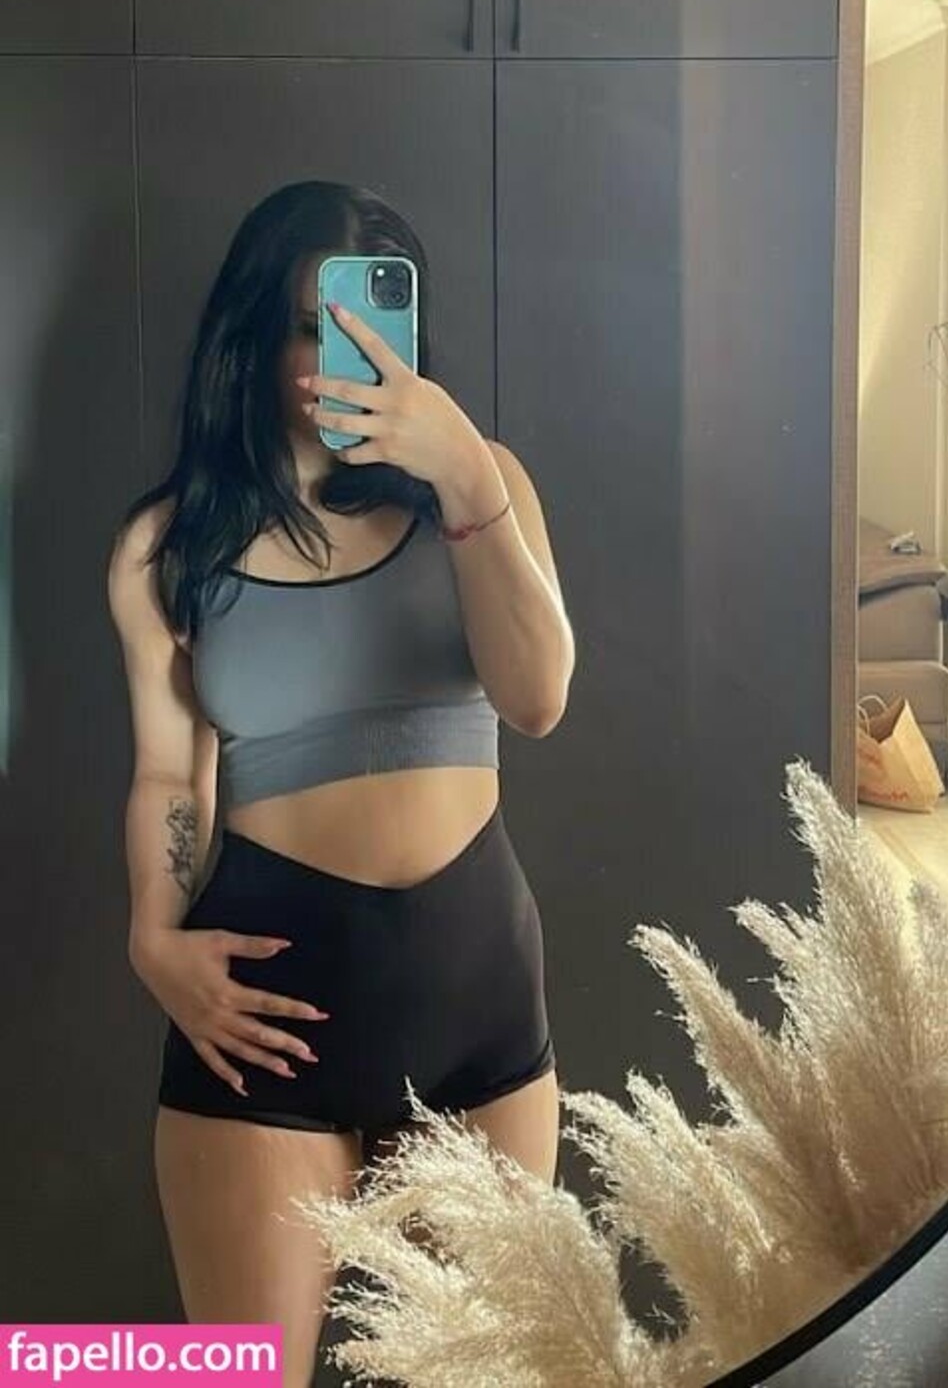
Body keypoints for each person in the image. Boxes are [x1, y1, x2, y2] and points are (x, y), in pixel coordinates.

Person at [107, 179, 575, 1386]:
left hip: (479, 1014)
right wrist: (152, 937)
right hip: (263, 1025)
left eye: (373, 324)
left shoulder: (485, 485)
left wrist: (464, 475)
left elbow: (537, 698)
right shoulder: (170, 545)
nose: (343, 359)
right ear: (256, 337)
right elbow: (168, 771)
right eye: (314, 329)